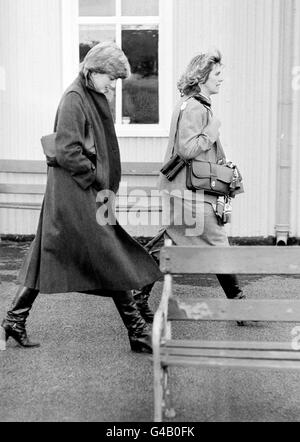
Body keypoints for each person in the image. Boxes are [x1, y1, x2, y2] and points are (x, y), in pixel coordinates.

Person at [0, 42, 162, 353]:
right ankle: (137, 331)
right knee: (109, 253)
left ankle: (14, 319)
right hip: (76, 192)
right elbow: (67, 150)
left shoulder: (88, 95)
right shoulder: (75, 98)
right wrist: (96, 176)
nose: (112, 84)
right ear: (93, 71)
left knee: (48, 253)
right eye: (110, 78)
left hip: (76, 191)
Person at [136, 49, 245, 318]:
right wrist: (212, 130)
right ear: (202, 76)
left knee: (172, 241)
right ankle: (240, 303)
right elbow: (187, 149)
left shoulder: (193, 104)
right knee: (217, 242)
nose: (221, 79)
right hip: (190, 192)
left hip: (185, 189)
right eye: (217, 75)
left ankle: (136, 297)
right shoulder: (196, 107)